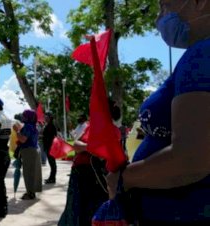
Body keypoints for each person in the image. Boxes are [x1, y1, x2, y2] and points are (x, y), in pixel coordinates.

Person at [106, 1, 210, 225]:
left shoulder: (203, 54)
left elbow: (190, 160)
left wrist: (124, 179)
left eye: (164, 6)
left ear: (200, 3)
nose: (158, 19)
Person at [58, 100, 121, 226]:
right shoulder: (90, 128)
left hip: (97, 178)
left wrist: (90, 148)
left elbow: (106, 153)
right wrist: (90, 147)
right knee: (75, 208)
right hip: (79, 174)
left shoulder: (114, 131)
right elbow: (76, 144)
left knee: (91, 211)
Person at [13, 109, 42, 200]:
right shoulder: (34, 126)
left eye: (24, 115)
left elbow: (23, 139)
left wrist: (17, 131)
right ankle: (32, 191)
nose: (22, 117)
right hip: (34, 150)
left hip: (29, 151)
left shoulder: (27, 127)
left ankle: (30, 193)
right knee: (34, 172)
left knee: (28, 172)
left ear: (28, 117)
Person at [43, 112, 57, 184]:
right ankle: (51, 177)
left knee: (52, 163)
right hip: (48, 147)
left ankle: (52, 178)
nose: (45, 118)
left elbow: (52, 137)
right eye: (45, 117)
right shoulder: (48, 125)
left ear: (50, 118)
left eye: (46, 117)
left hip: (50, 147)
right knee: (51, 163)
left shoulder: (51, 126)